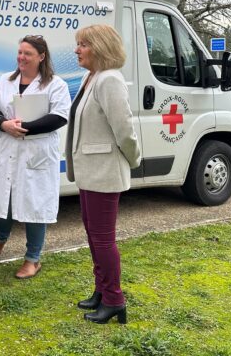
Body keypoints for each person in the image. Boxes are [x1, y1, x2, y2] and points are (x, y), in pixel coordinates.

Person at [65, 24, 141, 325]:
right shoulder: (92, 77)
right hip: (90, 172)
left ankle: (114, 300)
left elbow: (125, 130)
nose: (77, 49)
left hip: (104, 173)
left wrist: (133, 160)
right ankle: (101, 290)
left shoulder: (109, 80)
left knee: (103, 238)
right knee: (94, 236)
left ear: (99, 47)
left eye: (83, 44)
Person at [0, 35, 71, 278]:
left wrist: (24, 127)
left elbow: (60, 117)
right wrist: (4, 124)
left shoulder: (56, 85)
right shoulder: (5, 80)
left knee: (35, 205)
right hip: (8, 148)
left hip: (36, 154)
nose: (21, 57)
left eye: (28, 53)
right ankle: (0, 236)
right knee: (5, 201)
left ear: (41, 57)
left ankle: (33, 258)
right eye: (20, 52)